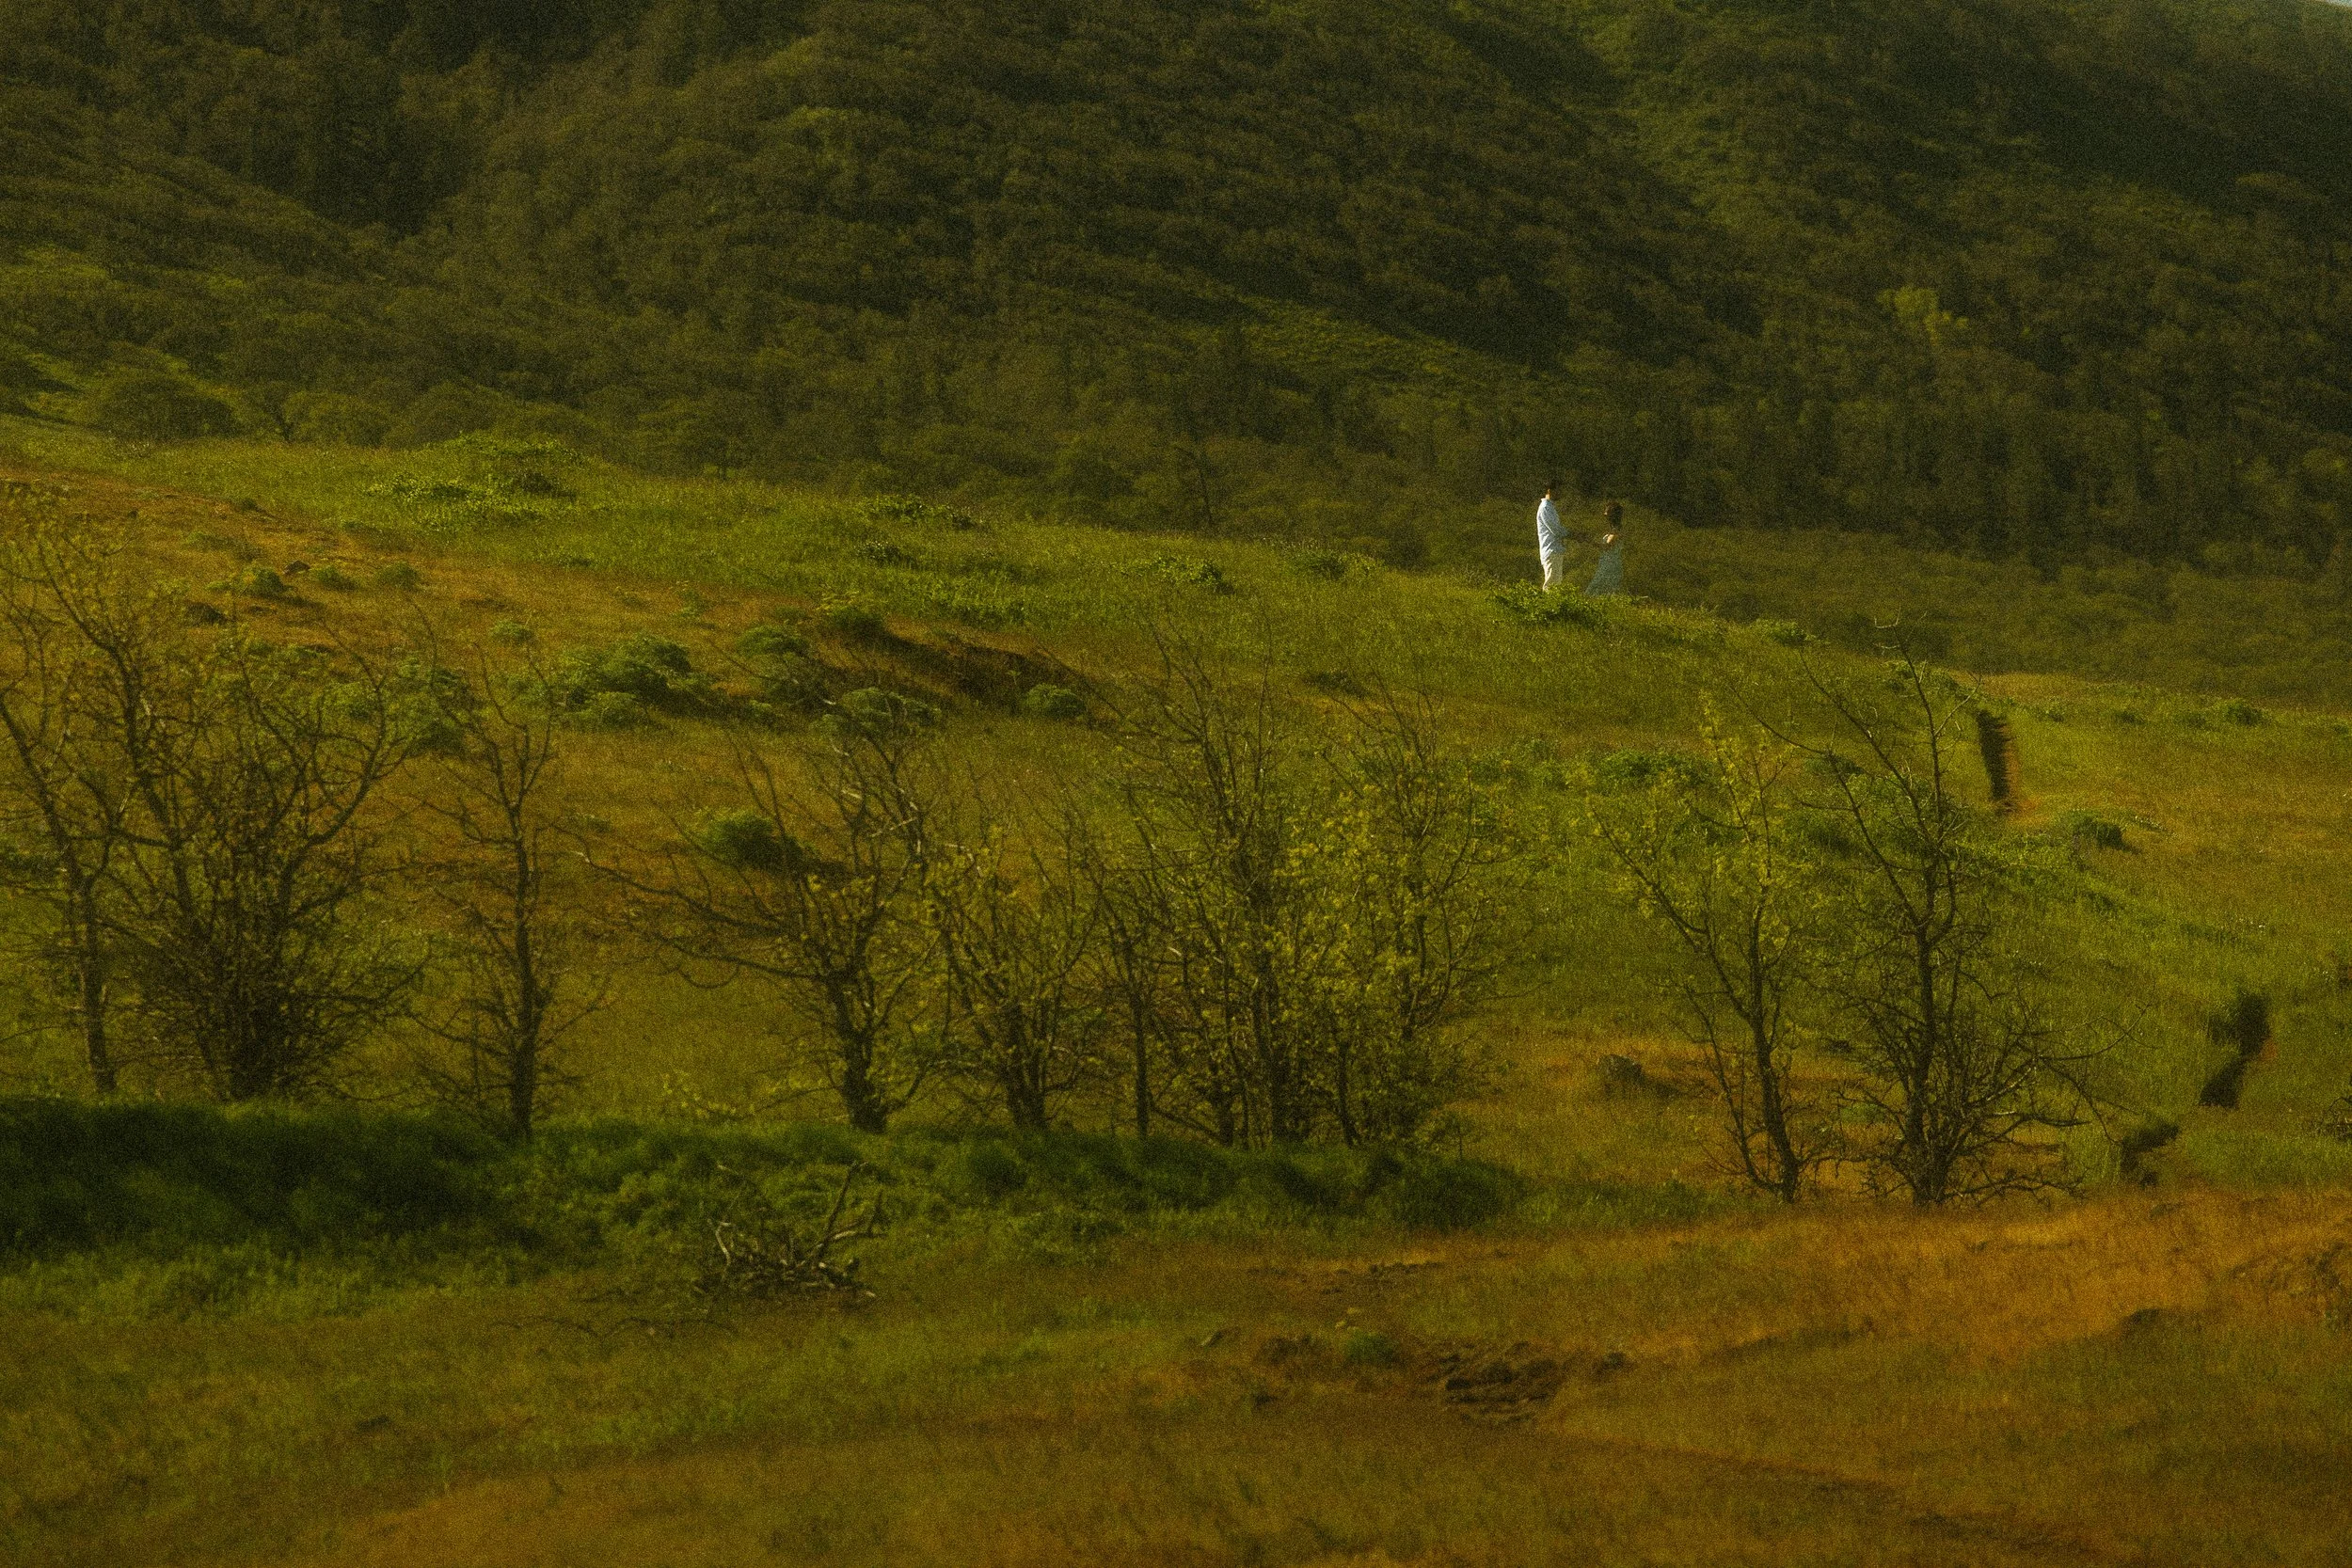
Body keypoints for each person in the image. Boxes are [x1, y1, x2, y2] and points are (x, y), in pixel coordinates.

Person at [1586, 501, 1627, 596]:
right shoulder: (1615, 529)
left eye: (1607, 513)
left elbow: (1606, 547)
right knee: (1605, 591)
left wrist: (1590, 541)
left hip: (1610, 565)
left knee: (1594, 589)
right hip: (1608, 563)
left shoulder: (1616, 530)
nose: (1605, 515)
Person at [1535, 483, 1568, 590]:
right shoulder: (1545, 508)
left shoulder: (1550, 508)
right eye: (1558, 490)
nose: (1560, 493)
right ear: (1549, 490)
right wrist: (1575, 534)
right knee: (1551, 585)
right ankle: (1547, 606)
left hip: (1555, 551)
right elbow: (1556, 530)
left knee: (1555, 584)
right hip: (1551, 551)